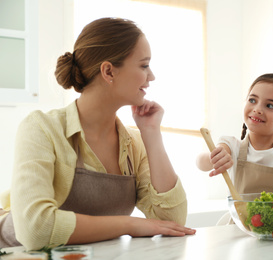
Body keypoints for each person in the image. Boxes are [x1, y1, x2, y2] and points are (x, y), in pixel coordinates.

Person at [0, 17, 195, 250]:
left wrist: (152, 134)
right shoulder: (42, 128)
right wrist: (128, 224)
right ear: (109, 71)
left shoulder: (132, 143)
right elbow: (36, 230)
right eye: (144, 65)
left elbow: (172, 222)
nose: (151, 76)